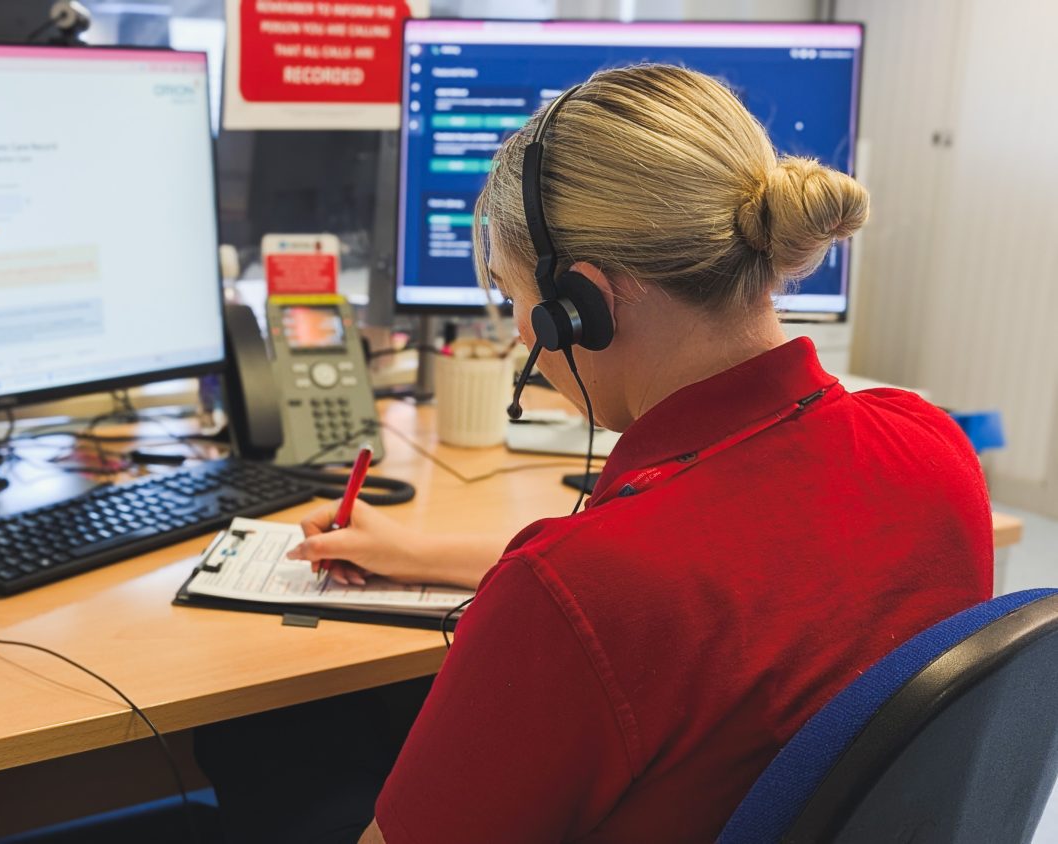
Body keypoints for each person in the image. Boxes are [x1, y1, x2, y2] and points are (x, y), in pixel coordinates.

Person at [280, 64, 993, 842]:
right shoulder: (931, 444)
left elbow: (618, 597)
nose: (523, 333)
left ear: (580, 304)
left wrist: (536, 583)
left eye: (513, 295)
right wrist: (420, 553)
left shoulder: (580, 591)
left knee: (266, 745)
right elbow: (738, 572)